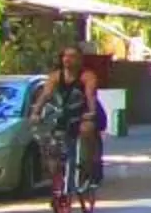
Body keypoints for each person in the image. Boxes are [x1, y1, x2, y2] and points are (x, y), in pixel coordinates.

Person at [31, 48, 107, 198]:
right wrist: (36, 112)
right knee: (53, 142)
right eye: (65, 56)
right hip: (66, 114)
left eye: (72, 56)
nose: (67, 59)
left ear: (79, 60)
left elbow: (90, 95)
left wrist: (91, 112)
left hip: (85, 112)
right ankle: (59, 175)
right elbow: (45, 95)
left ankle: (90, 167)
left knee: (86, 131)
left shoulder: (87, 76)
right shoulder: (55, 77)